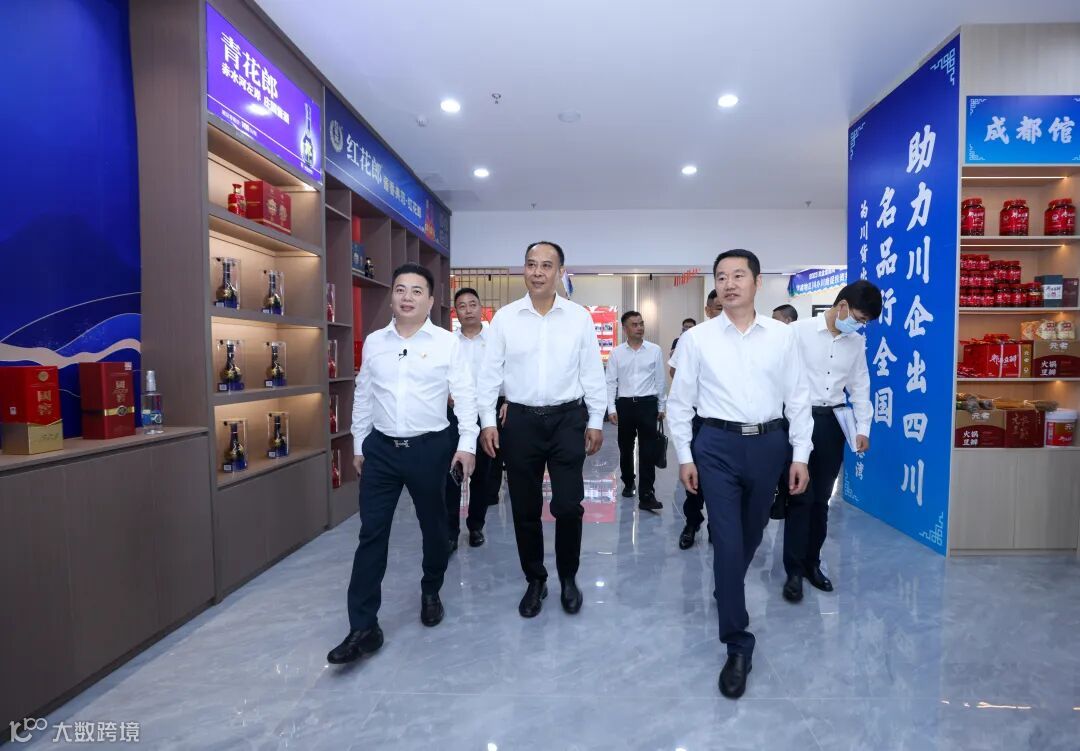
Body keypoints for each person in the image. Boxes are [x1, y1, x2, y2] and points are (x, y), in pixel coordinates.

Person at [667, 248, 812, 700]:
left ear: (757, 282)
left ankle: (726, 584)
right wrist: (685, 456)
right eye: (721, 277)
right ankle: (737, 642)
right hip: (717, 445)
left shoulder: (782, 337)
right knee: (727, 540)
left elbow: (799, 397)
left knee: (752, 534)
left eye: (738, 275)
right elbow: (679, 402)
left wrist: (800, 455)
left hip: (769, 443)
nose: (729, 284)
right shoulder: (697, 339)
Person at [328, 263, 478, 665]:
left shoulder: (447, 343)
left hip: (431, 448)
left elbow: (466, 397)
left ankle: (431, 589)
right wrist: (359, 445)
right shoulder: (375, 342)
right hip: (381, 450)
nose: (407, 297)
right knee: (371, 534)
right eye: (400, 289)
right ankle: (364, 627)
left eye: (416, 291)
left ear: (430, 300)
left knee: (435, 528)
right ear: (392, 296)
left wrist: (467, 445)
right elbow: (364, 395)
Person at [478, 241, 607, 618]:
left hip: (568, 420)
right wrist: (488, 421)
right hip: (520, 422)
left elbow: (591, 372)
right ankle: (535, 579)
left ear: (560, 271)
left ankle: (568, 577)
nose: (537, 272)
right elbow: (489, 375)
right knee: (524, 507)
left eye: (546, 265)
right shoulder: (505, 318)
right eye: (531, 264)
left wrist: (595, 419)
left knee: (567, 505)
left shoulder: (578, 317)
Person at [780, 280, 880, 604]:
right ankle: (794, 571)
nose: (860, 326)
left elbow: (860, 386)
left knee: (821, 500)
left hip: (831, 424)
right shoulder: (797, 332)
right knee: (799, 497)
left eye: (865, 322)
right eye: (860, 318)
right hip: (798, 421)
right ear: (843, 306)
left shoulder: (856, 343)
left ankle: (813, 563)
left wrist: (863, 428)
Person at [445, 287, 505, 551]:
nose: (468, 310)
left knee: (483, 473)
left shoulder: (495, 340)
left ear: (481, 308)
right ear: (455, 311)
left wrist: (509, 401)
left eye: (472, 304)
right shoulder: (448, 342)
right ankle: (450, 531)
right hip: (454, 413)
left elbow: (509, 373)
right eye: (462, 306)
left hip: (488, 412)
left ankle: (476, 526)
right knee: (451, 473)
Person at [670, 289, 722, 548]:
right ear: (708, 310)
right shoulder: (693, 338)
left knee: (721, 482)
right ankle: (692, 523)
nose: (723, 312)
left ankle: (716, 526)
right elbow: (675, 372)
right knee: (695, 478)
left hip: (729, 425)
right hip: (700, 421)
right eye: (718, 308)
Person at [606, 310, 665, 513]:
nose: (639, 328)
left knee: (648, 450)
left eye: (641, 324)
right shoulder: (616, 353)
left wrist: (661, 406)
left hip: (648, 404)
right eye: (634, 324)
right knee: (625, 447)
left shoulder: (654, 350)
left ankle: (647, 494)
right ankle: (628, 481)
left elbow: (660, 380)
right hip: (625, 405)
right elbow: (611, 382)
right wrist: (611, 408)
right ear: (625, 329)